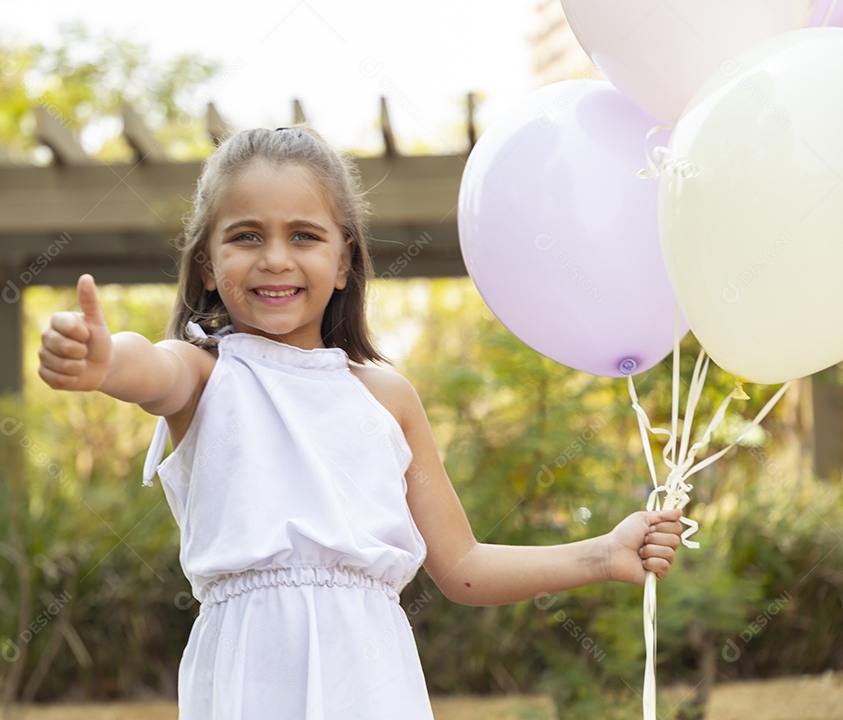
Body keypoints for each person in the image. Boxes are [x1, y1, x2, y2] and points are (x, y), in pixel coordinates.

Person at [37, 126, 683, 719]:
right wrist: (100, 360)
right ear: (207, 263)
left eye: (305, 236)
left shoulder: (388, 397)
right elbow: (146, 367)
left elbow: (463, 567)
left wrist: (603, 553)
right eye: (245, 236)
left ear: (344, 261)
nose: (275, 259)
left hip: (371, 679)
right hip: (250, 677)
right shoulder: (205, 376)